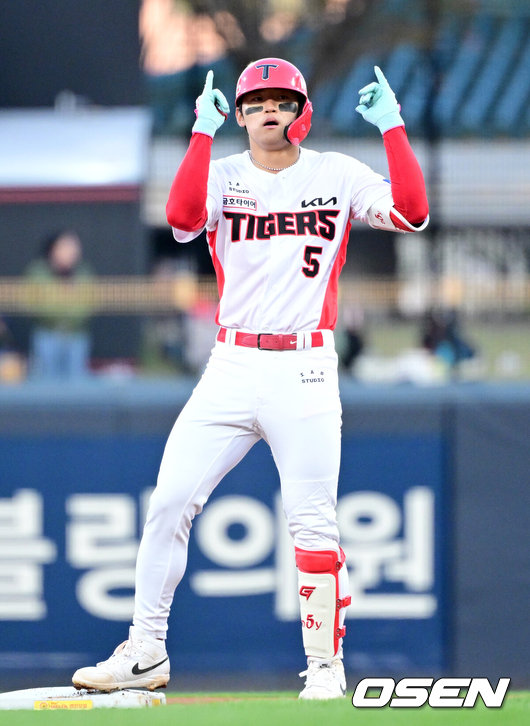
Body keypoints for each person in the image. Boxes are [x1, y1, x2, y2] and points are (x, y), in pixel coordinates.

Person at [72, 59, 429, 699]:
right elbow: (182, 219)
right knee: (169, 503)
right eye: (256, 101)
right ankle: (146, 649)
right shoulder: (222, 175)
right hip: (231, 362)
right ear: (238, 114)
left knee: (313, 524)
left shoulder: (337, 173)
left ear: (302, 111)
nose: (269, 110)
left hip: (305, 365)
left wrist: (393, 128)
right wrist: (199, 134)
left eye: (281, 100)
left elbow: (412, 213)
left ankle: (325, 667)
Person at [25, 229, 94, 379]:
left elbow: (87, 306)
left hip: (76, 336)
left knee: (77, 382)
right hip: (47, 335)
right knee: (46, 381)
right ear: (53, 249)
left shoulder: (84, 272)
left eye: (74, 247)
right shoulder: (38, 272)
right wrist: (67, 300)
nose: (72, 251)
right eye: (66, 246)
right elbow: (35, 305)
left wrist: (62, 305)